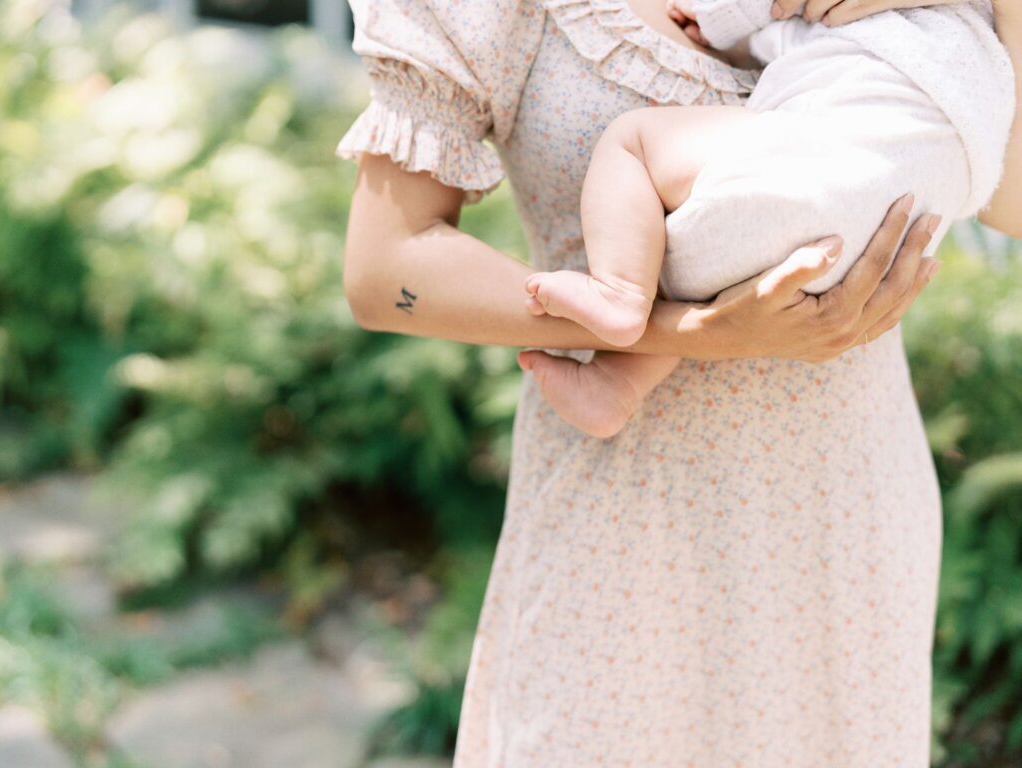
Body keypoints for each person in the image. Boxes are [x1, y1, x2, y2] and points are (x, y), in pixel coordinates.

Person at [340, 0, 1022, 765]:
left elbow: (1014, 198)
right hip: (628, 520)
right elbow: (384, 272)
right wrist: (691, 333)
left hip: (847, 512)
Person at [521, 0, 1013, 438]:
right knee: (719, 272)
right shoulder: (981, 36)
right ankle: (618, 380)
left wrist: (712, 17)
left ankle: (620, 295)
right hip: (893, 229)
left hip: (818, 174)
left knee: (634, 143)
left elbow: (768, 6)